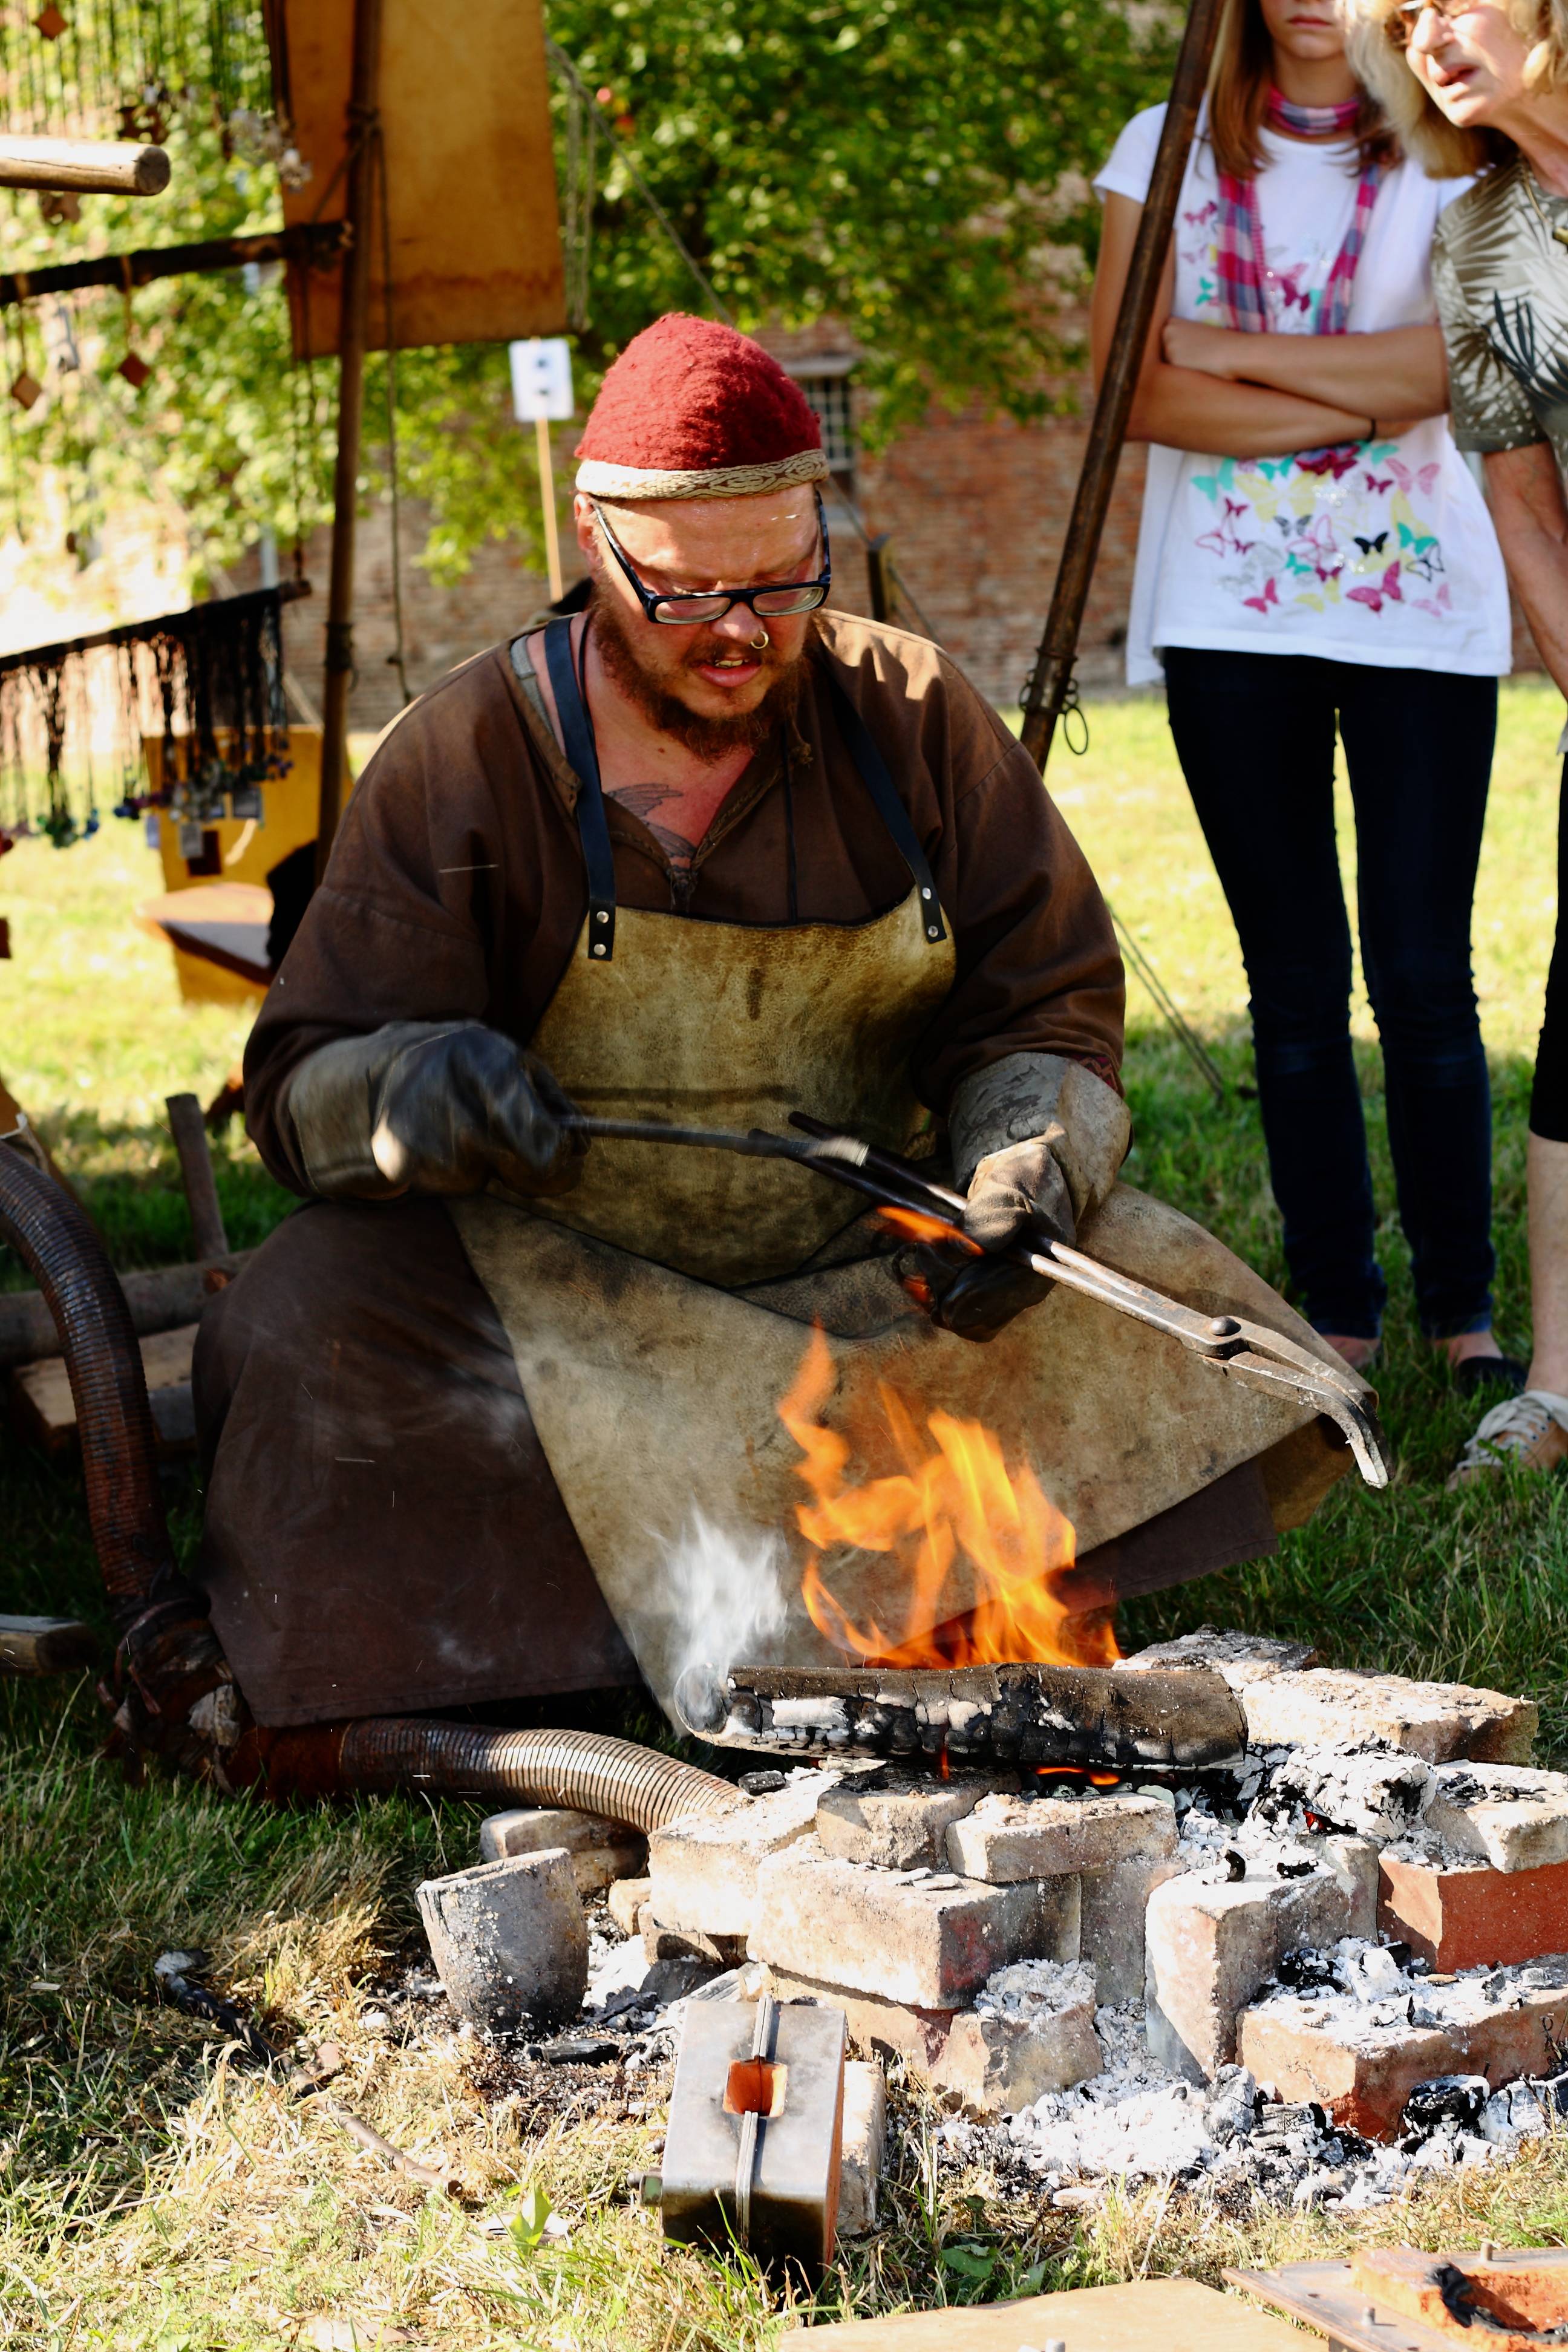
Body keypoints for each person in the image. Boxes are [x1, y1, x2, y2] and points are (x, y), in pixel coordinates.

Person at [161, 316, 1365, 1771]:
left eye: (783, 581)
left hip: (859, 1277)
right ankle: (565, 1647)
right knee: (302, 1321)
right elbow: (299, 1085)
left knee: (1145, 1280)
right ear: (595, 548)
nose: (741, 630)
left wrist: (1022, 1168)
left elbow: (1042, 1009)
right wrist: (405, 1091)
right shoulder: (471, 751)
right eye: (685, 594)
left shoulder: (912, 717)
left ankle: (827, 1611)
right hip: (554, 1304)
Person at [1093, 0, 1514, 1390]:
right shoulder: (1163, 153)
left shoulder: (1453, 150)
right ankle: (1338, 1305)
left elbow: (1457, 368)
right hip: (1228, 617)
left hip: (1422, 618)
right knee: (1291, 990)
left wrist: (1218, 347)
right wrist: (1363, 405)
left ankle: (1466, 1311)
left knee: (1423, 980)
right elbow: (1128, 391)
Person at [1350, 0, 1568, 1479]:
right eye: (1401, 18)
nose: (1428, 32)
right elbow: (1523, 509)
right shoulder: (1482, 238)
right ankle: (1561, 1386)